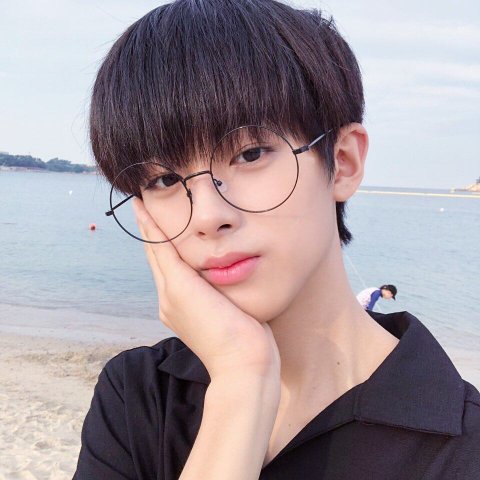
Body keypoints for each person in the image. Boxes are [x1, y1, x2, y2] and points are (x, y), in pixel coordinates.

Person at [74, 1, 480, 478]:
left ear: (342, 163)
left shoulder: (462, 450)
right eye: (163, 181)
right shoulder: (140, 396)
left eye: (249, 154)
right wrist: (240, 382)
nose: (207, 216)